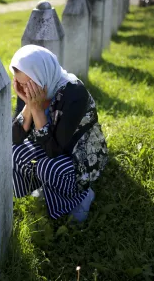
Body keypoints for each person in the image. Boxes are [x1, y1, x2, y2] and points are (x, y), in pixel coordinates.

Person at [10, 45, 108, 222]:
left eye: (29, 85)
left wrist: (37, 110)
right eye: (21, 85)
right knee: (14, 152)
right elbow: (15, 138)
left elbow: (54, 151)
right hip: (51, 146)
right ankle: (46, 189)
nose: (26, 90)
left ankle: (81, 196)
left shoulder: (74, 93)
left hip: (80, 157)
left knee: (48, 167)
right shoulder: (30, 90)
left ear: (43, 75)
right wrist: (27, 105)